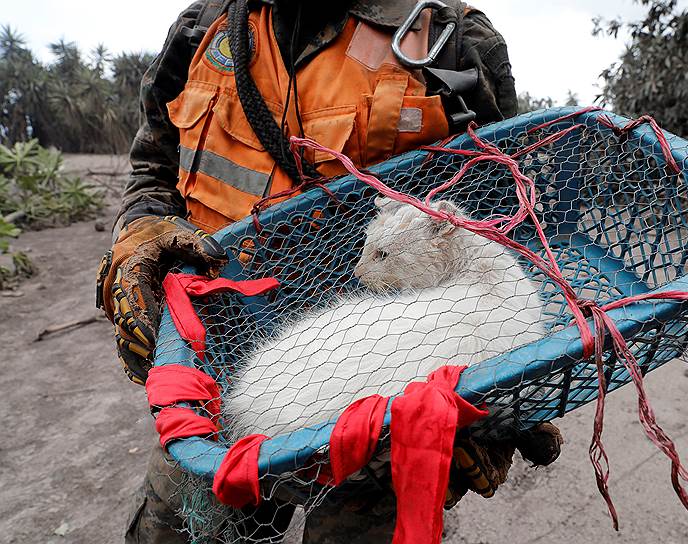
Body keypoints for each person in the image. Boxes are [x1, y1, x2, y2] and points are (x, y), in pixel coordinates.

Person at [96, 1, 563, 542]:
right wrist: (142, 234)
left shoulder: (451, 39)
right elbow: (153, 167)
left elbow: (510, 220)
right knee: (175, 530)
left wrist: (501, 407)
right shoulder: (204, 29)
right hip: (218, 373)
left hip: (381, 388)